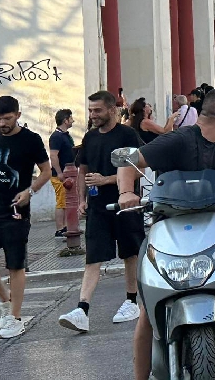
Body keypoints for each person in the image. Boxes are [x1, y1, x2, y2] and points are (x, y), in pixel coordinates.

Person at [118, 89, 215, 376]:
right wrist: (125, 192)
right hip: (170, 218)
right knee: (148, 310)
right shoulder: (178, 139)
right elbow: (129, 162)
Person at [57, 91, 145, 334]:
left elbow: (140, 168)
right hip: (97, 207)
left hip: (125, 204)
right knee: (93, 257)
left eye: (97, 110)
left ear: (112, 110)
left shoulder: (127, 135)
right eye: (90, 110)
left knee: (130, 253)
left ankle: (131, 301)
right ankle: (82, 309)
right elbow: (83, 169)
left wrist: (106, 180)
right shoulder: (90, 137)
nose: (92, 115)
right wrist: (81, 199)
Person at [0, 96, 51, 339]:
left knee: (15, 265)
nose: (2, 123)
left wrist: (30, 192)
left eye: (7, 118)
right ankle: (5, 300)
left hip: (15, 213)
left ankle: (15, 319)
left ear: (18, 115)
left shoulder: (30, 139)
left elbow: (46, 171)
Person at [49, 108, 77, 237]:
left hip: (68, 173)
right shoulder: (56, 136)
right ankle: (59, 228)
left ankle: (66, 226)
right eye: (71, 118)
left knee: (67, 202)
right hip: (59, 175)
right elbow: (53, 155)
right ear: (65, 120)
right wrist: (59, 173)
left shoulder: (66, 136)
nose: (73, 120)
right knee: (61, 202)